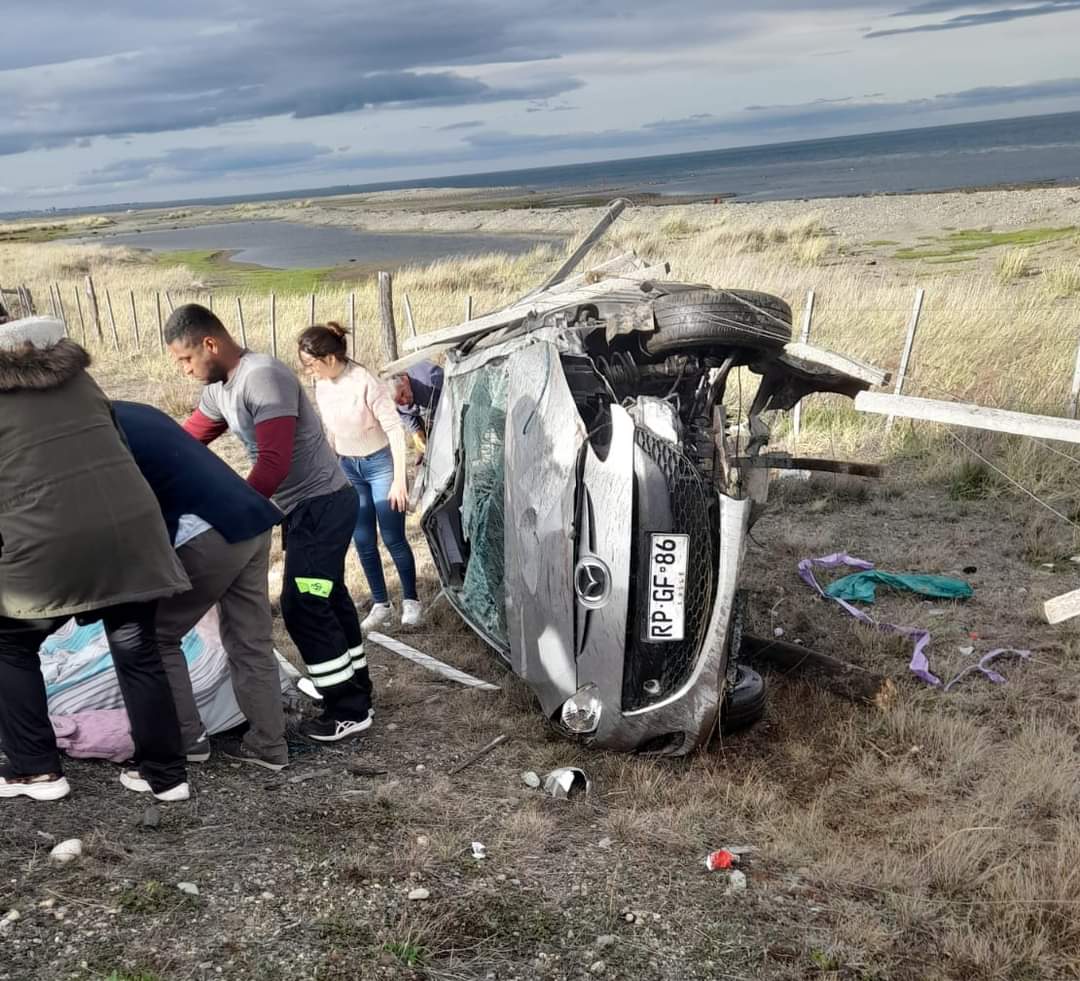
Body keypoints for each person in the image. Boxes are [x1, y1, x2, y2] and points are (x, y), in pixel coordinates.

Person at [0, 320, 191, 803]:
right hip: (130, 528)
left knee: (9, 644)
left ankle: (36, 770)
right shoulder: (77, 377)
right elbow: (119, 444)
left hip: (48, 536)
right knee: (137, 647)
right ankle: (166, 776)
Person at [163, 303, 372, 743]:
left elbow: (273, 463)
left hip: (323, 507)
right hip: (302, 513)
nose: (183, 369)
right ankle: (355, 694)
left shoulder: (262, 377)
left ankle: (347, 709)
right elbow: (187, 441)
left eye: (185, 358)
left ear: (210, 343)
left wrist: (230, 514)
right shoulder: (220, 390)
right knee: (329, 597)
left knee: (304, 603)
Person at [113, 401, 289, 770]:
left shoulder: (98, 432)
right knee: (251, 640)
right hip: (251, 519)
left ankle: (186, 738)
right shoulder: (136, 411)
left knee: (157, 636)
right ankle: (269, 744)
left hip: (208, 531)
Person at [297, 324, 421, 632]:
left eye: (310, 363)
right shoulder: (322, 385)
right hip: (348, 468)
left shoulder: (364, 381)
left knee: (392, 537)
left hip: (380, 465)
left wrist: (399, 480)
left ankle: (411, 601)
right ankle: (381, 604)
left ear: (327, 357)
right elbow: (331, 430)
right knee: (362, 539)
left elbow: (394, 428)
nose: (308, 370)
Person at [391, 360, 443, 463]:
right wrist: (416, 431)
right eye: (399, 402)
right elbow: (403, 413)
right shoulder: (395, 401)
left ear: (404, 379)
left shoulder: (432, 379)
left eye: (402, 394)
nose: (404, 401)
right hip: (428, 418)